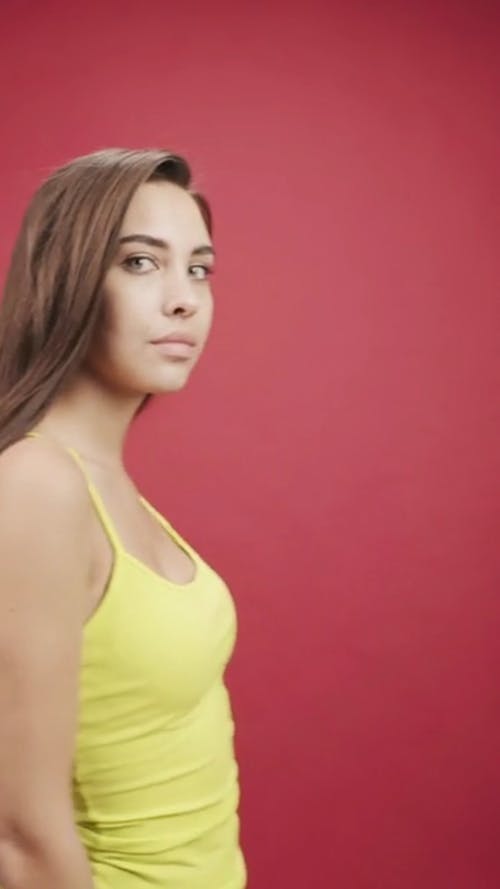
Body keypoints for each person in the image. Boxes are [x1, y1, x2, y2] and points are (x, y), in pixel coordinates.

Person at [0, 148, 246, 889]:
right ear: (68, 278)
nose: (184, 299)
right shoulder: (36, 487)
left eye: (198, 268)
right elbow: (20, 837)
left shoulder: (110, 488)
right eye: (141, 263)